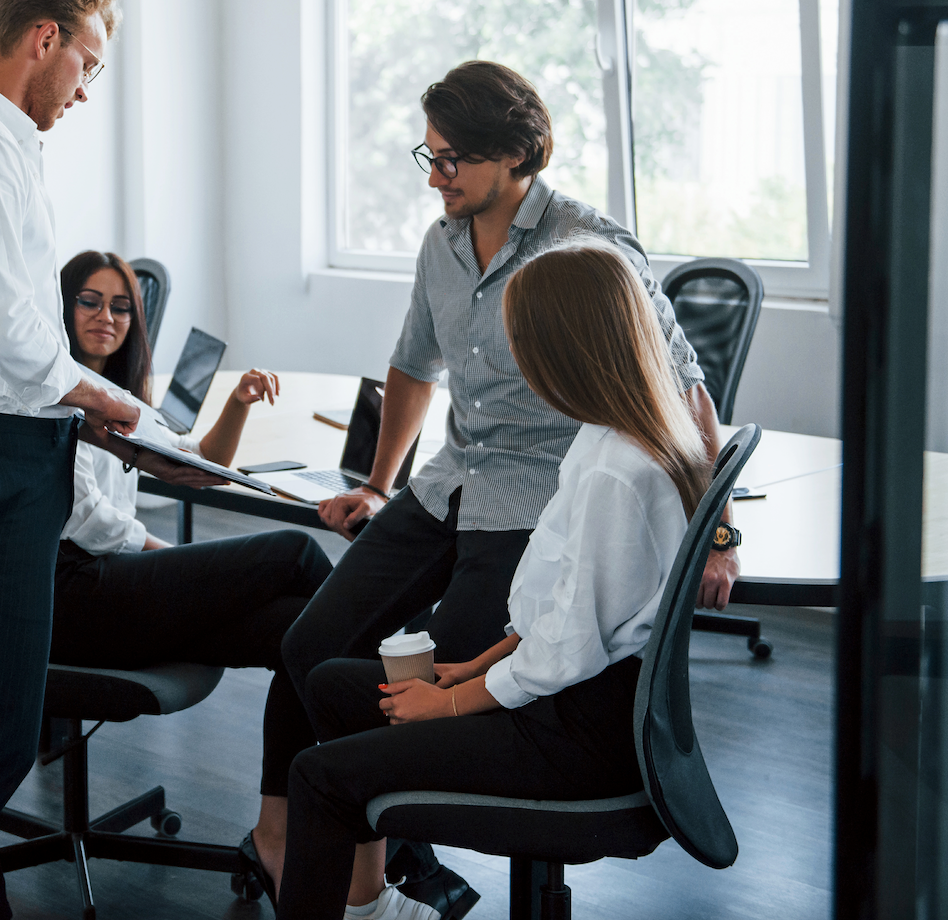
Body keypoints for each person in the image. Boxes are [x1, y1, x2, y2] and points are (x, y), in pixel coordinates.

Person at [262, 61, 728, 918]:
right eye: (428, 157)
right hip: (451, 478)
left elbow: (684, 383)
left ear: (515, 155)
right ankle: (353, 838)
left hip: (541, 497)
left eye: (453, 161)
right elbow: (412, 364)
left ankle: (392, 824)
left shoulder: (588, 247)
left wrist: (720, 529)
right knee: (313, 643)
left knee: (458, 656)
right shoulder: (440, 243)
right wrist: (376, 482)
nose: (435, 178)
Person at [0, 0, 217, 920]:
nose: (84, 88)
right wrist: (102, 399)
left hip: (8, 448)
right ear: (44, 39)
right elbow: (11, 332)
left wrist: (94, 404)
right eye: (87, 63)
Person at [47, 250, 334, 866]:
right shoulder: (53, 394)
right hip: (73, 600)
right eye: (90, 301)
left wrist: (239, 403)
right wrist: (173, 559)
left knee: (304, 634)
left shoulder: (117, 396)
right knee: (294, 551)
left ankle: (275, 836)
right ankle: (401, 677)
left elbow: (193, 461)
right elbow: (86, 521)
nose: (107, 316)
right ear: (63, 306)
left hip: (114, 589)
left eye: (122, 307)